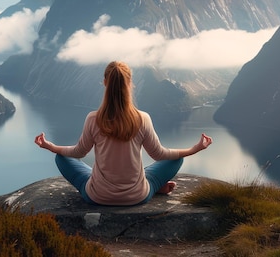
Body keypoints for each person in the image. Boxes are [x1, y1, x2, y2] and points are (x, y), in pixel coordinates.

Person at [34, 60, 213, 206]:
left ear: (105, 83)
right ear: (130, 84)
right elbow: (160, 154)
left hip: (98, 196)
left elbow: (79, 152)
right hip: (137, 196)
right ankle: (154, 186)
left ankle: (104, 183)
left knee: (61, 158)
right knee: (176, 158)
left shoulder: (93, 119)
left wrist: (50, 146)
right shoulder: (142, 118)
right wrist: (195, 149)